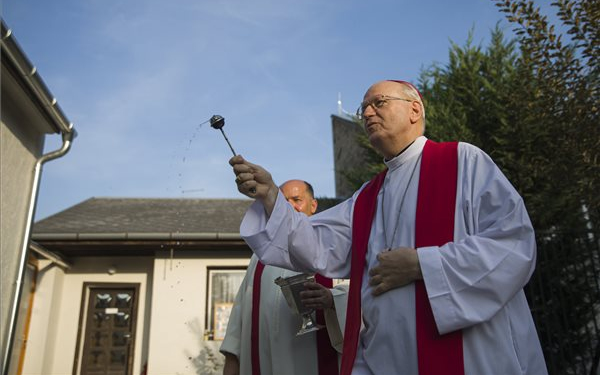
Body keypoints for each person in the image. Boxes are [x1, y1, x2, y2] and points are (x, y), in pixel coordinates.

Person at [229, 80, 548, 375]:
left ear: (414, 110)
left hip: (473, 354)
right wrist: (271, 195)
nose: (367, 112)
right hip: (387, 359)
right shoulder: (368, 197)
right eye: (363, 108)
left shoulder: (463, 161)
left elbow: (513, 244)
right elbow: (314, 242)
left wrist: (422, 264)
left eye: (378, 102)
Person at [220, 179, 348, 375]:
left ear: (313, 205)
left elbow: (362, 297)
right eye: (283, 200)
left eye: (297, 199)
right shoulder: (260, 256)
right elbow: (239, 320)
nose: (289, 206)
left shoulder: (331, 246)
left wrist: (333, 300)